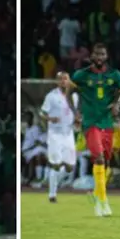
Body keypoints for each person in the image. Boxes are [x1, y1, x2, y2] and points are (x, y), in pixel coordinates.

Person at [70, 43, 120, 217]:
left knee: (107, 163)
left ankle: (97, 194)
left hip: (107, 123)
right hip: (90, 123)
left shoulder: (114, 75)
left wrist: (117, 104)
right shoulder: (81, 75)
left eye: (102, 54)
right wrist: (75, 112)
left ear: (106, 56)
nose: (100, 57)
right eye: (97, 54)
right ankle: (103, 202)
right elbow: (68, 92)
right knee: (100, 158)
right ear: (92, 57)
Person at [40, 71, 79, 203]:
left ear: (69, 81)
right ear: (57, 82)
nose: (63, 81)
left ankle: (52, 181)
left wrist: (77, 120)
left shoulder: (74, 97)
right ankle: (52, 194)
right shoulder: (51, 96)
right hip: (55, 134)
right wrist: (50, 118)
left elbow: (73, 113)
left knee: (70, 167)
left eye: (66, 79)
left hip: (68, 133)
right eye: (61, 79)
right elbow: (42, 113)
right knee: (56, 165)